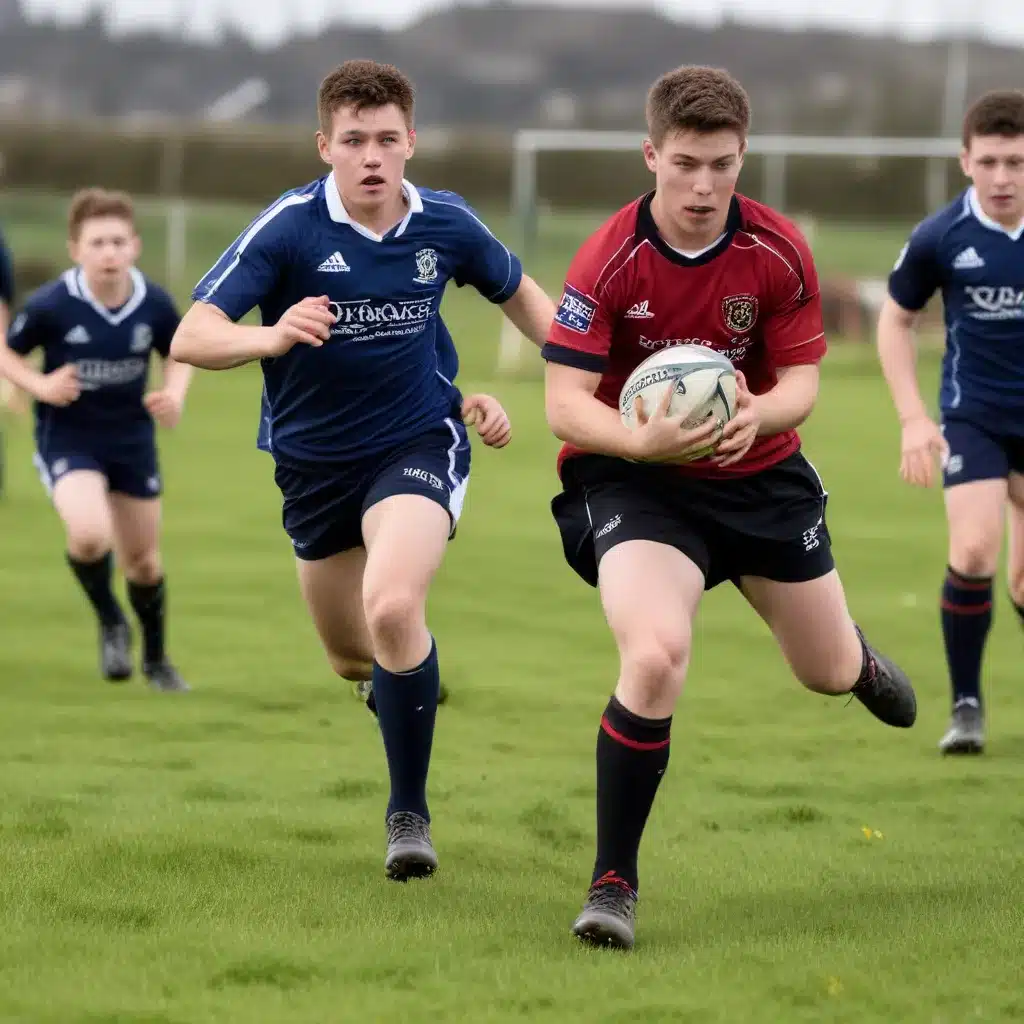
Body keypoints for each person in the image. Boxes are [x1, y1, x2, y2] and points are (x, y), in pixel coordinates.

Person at [542, 64, 917, 950]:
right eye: (685, 164)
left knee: (821, 672)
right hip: (637, 481)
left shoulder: (778, 248)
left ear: (743, 156)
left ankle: (854, 658)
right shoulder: (607, 256)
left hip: (759, 473)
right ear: (651, 156)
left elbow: (801, 383)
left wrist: (757, 412)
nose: (704, 185)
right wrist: (639, 443)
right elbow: (564, 402)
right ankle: (612, 885)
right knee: (657, 652)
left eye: (722, 164)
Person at [170, 60, 554, 882]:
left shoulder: (446, 224)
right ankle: (403, 683)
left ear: (411, 142)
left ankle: (407, 812)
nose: (372, 156)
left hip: (418, 441)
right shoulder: (289, 230)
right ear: (326, 147)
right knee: (354, 657)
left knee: (392, 603)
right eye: (354, 141)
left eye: (387, 139)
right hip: (312, 469)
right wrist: (270, 336)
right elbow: (192, 336)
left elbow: (524, 297)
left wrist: (587, 373)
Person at [877, 90, 1024, 757]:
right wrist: (913, 418)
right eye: (989, 161)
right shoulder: (941, 236)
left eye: (1016, 162)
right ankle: (966, 707)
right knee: (972, 552)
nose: (1002, 177)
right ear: (966, 160)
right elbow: (895, 319)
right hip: (974, 419)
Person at [0, 188, 193, 691]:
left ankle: (155, 660)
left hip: (131, 440)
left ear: (134, 246)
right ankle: (111, 619)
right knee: (89, 534)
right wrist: (40, 385)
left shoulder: (152, 301)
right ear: (75, 249)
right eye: (97, 242)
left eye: (117, 241)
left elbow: (180, 350)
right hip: (69, 438)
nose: (108, 252)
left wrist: (172, 392)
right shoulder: (52, 304)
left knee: (145, 563)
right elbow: (7, 351)